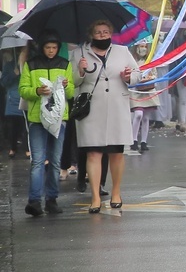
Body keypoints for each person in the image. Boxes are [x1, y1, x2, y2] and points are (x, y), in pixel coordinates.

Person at [74, 20, 141, 213]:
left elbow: (137, 73)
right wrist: (80, 70)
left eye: (105, 32)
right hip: (92, 109)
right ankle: (95, 197)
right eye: (98, 32)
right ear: (91, 35)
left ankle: (116, 192)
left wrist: (129, 76)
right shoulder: (79, 53)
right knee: (93, 153)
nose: (102, 35)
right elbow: (72, 81)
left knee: (116, 153)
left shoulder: (122, 51)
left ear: (111, 33)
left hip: (116, 108)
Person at [19, 29, 75, 216]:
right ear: (42, 48)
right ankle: (34, 201)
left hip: (59, 118)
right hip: (37, 118)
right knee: (38, 160)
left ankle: (52, 198)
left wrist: (66, 87)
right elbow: (23, 90)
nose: (51, 50)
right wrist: (37, 91)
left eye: (54, 47)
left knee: (56, 160)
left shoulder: (64, 64)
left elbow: (71, 93)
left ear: (58, 48)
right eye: (48, 47)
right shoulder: (31, 64)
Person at [129, 41, 160, 152]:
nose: (143, 49)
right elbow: (131, 75)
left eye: (145, 47)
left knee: (146, 117)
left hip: (148, 91)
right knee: (138, 114)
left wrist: (150, 78)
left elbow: (155, 75)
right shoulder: (132, 61)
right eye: (141, 46)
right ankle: (133, 140)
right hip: (136, 91)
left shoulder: (150, 61)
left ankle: (143, 141)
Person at [1, 49, 28, 160]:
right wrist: (14, 73)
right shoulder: (9, 65)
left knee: (26, 125)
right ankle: (13, 147)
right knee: (13, 126)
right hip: (13, 98)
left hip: (25, 97)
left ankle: (27, 148)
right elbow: (3, 82)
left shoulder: (29, 64)